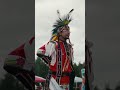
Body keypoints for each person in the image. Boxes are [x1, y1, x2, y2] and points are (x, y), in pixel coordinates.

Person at [37, 9, 75, 90]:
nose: (69, 32)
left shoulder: (70, 47)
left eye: (69, 30)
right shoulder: (53, 44)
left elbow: (70, 64)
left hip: (67, 81)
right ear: (60, 32)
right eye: (66, 30)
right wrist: (51, 63)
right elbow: (39, 52)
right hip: (54, 80)